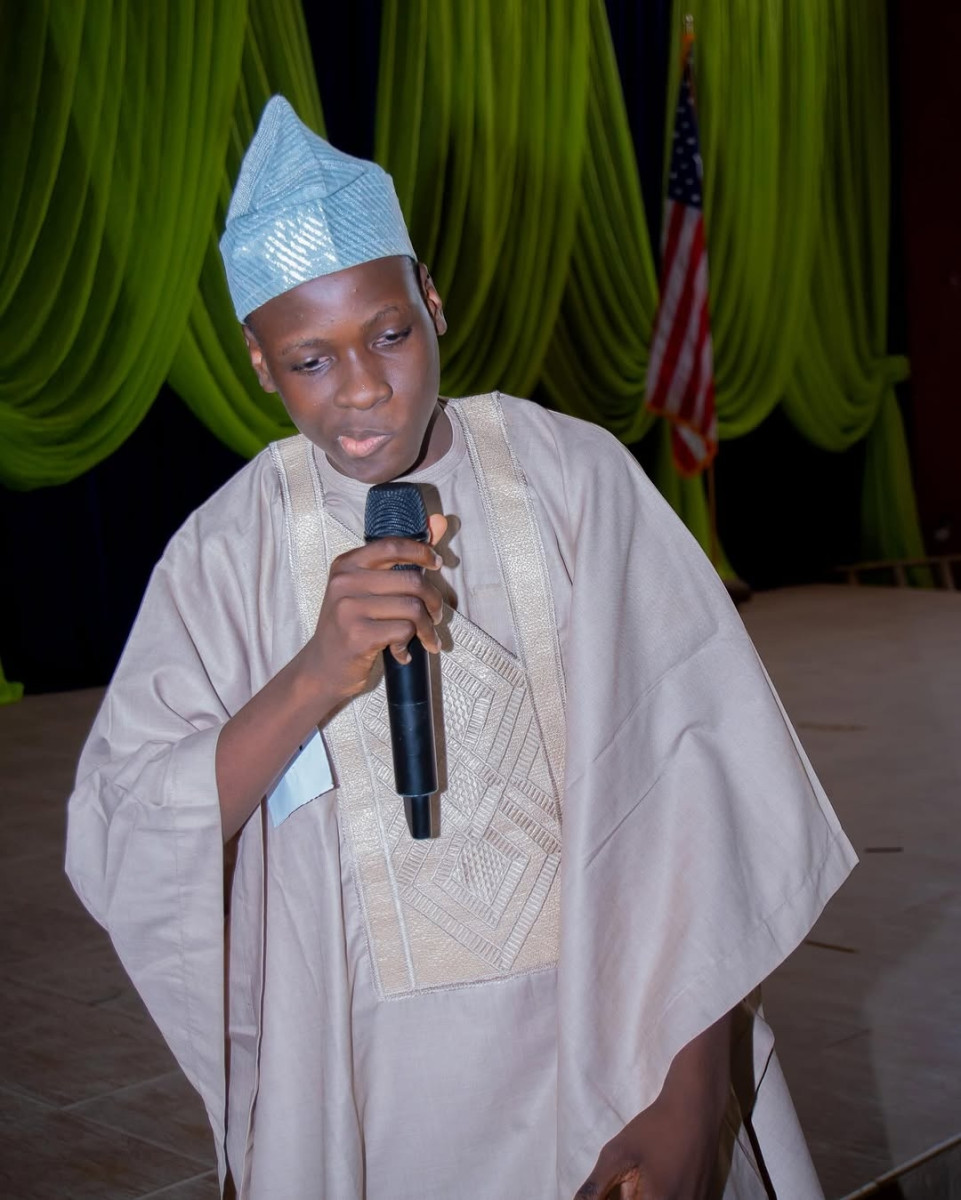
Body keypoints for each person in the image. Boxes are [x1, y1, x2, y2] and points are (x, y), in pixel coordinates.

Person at [66, 96, 857, 1199]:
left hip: (609, 1052)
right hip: (362, 1091)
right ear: (257, 364)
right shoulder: (222, 553)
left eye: (388, 334)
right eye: (309, 359)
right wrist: (310, 681)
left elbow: (699, 791)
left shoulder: (573, 478)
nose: (361, 388)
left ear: (431, 302)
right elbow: (126, 828)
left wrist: (687, 1095)